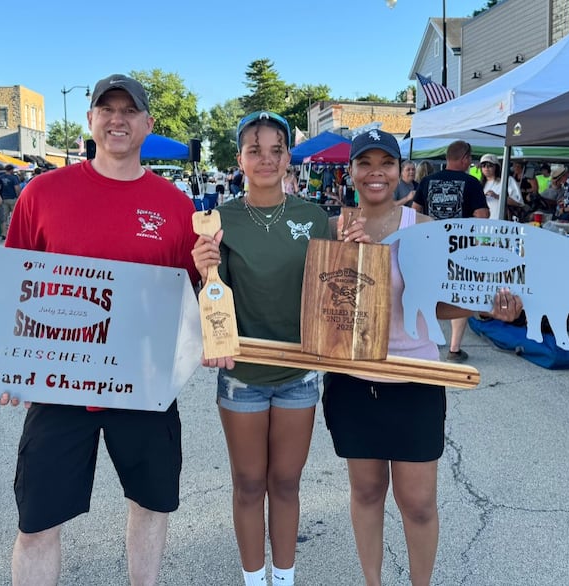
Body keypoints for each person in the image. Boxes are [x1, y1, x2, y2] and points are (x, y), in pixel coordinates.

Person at [0, 74, 199, 586]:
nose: (118, 119)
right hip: (60, 383)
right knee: (37, 524)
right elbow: (12, 283)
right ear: (90, 121)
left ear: (148, 124)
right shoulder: (43, 192)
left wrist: (208, 272)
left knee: (150, 506)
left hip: (142, 383)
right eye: (107, 109)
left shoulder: (175, 205)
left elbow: (187, 298)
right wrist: (5, 364)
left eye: (130, 111)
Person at [322, 129, 521, 586]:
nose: (375, 173)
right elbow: (320, 305)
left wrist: (487, 303)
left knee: (418, 502)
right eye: (364, 163)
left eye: (385, 163)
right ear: (350, 171)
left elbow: (440, 302)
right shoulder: (334, 229)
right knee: (367, 492)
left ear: (399, 171)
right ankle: (372, 581)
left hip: (415, 377)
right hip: (354, 378)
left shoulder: (425, 228)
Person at [191, 111, 365, 586]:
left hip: (300, 375)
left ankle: (284, 577)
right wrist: (203, 266)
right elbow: (208, 301)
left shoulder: (313, 218)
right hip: (243, 376)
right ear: (239, 159)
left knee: (286, 483)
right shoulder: (217, 221)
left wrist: (356, 251)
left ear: (289, 157)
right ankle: (253, 578)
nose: (265, 159)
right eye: (254, 149)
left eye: (275, 149)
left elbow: (342, 288)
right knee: (249, 485)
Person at [412, 140, 489, 363]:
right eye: (470, 159)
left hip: (430, 247)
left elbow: (414, 213)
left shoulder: (427, 181)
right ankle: (454, 349)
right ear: (464, 158)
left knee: (428, 292)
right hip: (460, 249)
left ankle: (426, 341)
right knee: (459, 293)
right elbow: (482, 217)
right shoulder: (472, 183)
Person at [479, 153, 524, 220]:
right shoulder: (480, 184)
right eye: (483, 165)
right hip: (484, 224)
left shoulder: (507, 180)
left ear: (496, 167)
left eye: (490, 165)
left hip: (502, 223)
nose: (486, 168)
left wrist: (497, 196)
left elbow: (518, 203)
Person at [0, 164, 22, 241]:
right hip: (13, 199)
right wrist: (19, 196)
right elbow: (17, 188)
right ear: (11, 170)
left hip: (3, 199)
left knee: (4, 218)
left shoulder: (0, 177)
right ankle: (15, 233)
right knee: (15, 217)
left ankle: (4, 234)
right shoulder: (14, 178)